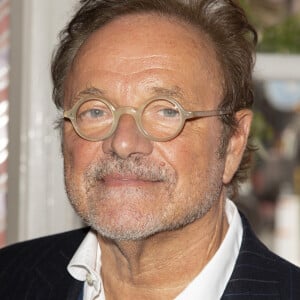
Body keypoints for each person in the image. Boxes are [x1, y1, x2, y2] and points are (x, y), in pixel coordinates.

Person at [1, 0, 299, 299]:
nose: (123, 142)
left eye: (167, 111)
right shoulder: (10, 278)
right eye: (95, 111)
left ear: (234, 142)